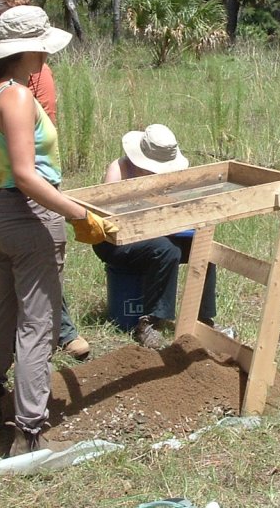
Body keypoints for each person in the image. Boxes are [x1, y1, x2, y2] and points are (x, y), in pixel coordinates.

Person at [0, 5, 116, 456]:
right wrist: (77, 213)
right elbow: (28, 174)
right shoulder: (15, 96)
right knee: (39, 323)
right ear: (31, 49)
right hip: (27, 215)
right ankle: (29, 429)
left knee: (4, 304)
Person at [0, 0, 91, 360]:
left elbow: (39, 136)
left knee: (34, 267)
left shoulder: (33, 77)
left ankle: (57, 332)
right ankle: (15, 358)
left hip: (14, 183)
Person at [92, 124, 220, 349]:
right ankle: (150, 322)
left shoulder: (169, 176)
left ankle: (204, 319)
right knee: (166, 249)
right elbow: (109, 220)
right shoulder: (119, 170)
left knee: (204, 246)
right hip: (115, 241)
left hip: (158, 233)